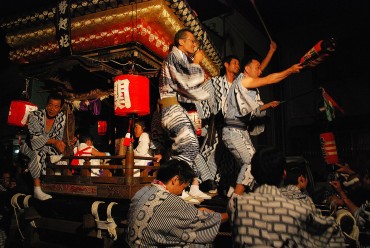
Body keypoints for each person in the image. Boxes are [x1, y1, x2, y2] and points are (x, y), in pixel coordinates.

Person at [229, 146, 345, 247]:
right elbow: (331, 232)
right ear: (284, 174)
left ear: (253, 174)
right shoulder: (297, 209)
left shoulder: (236, 206)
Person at [222, 51, 302, 196]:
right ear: (247, 69)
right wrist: (290, 70)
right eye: (257, 67)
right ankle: (235, 199)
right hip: (233, 131)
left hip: (240, 131)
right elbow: (270, 79)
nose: (260, 71)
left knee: (252, 166)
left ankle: (239, 194)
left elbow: (255, 105)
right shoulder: (244, 81)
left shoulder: (246, 82)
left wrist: (271, 51)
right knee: (251, 162)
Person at [158, 28, 212, 200]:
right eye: (191, 41)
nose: (194, 44)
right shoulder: (173, 57)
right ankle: (175, 188)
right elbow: (186, 82)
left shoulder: (180, 59)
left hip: (176, 108)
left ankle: (193, 185)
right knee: (189, 146)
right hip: (171, 110)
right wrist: (196, 64)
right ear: (181, 42)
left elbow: (187, 87)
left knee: (192, 147)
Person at [126, 159, 228, 247]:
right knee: (196, 240)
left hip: (132, 244)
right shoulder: (170, 201)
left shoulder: (142, 191)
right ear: (175, 180)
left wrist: (196, 212)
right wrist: (230, 215)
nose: (180, 192)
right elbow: (206, 221)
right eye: (183, 187)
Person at [20, 92, 66, 200]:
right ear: (46, 105)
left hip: (47, 147)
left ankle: (53, 157)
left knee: (60, 150)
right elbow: (35, 140)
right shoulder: (34, 116)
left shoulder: (61, 117)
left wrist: (59, 145)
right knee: (38, 152)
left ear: (60, 108)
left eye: (56, 106)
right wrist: (54, 143)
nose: (52, 109)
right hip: (29, 145)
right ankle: (37, 189)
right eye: (50, 105)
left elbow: (58, 137)